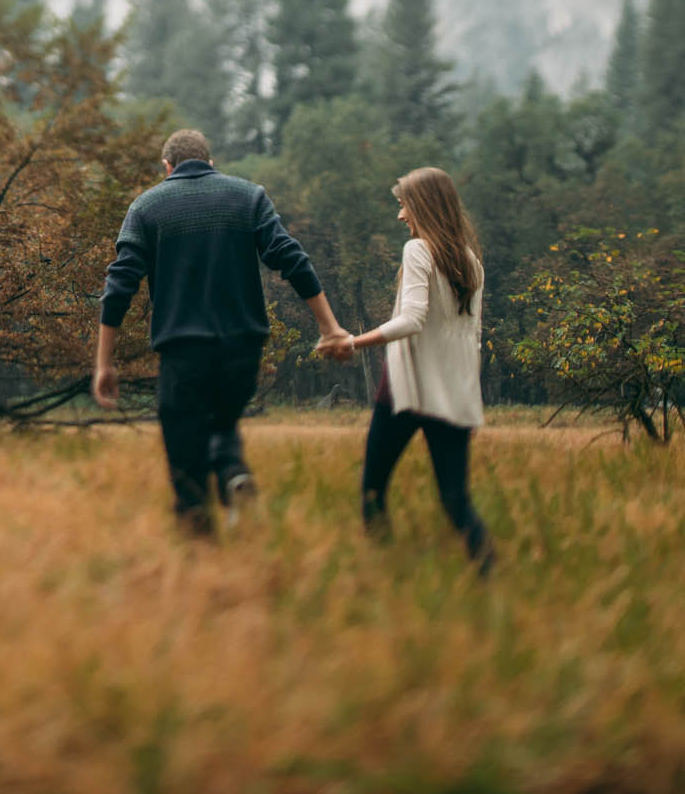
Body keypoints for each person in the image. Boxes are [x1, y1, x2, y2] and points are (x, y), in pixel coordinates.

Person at [93, 128, 351, 535]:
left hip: (183, 349)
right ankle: (232, 473)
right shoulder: (248, 196)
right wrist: (330, 326)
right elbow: (291, 258)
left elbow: (118, 286)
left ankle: (200, 541)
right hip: (243, 346)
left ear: (167, 167)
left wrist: (104, 363)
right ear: (211, 163)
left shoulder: (145, 207)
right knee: (222, 422)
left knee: (184, 445)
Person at [325, 167, 493, 570]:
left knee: (373, 489)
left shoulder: (418, 251)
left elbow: (412, 320)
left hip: (407, 388)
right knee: (455, 500)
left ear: (424, 206)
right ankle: (488, 571)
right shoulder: (472, 261)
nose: (400, 215)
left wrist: (352, 342)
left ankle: (383, 568)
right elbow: (472, 334)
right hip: (455, 393)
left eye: (403, 205)